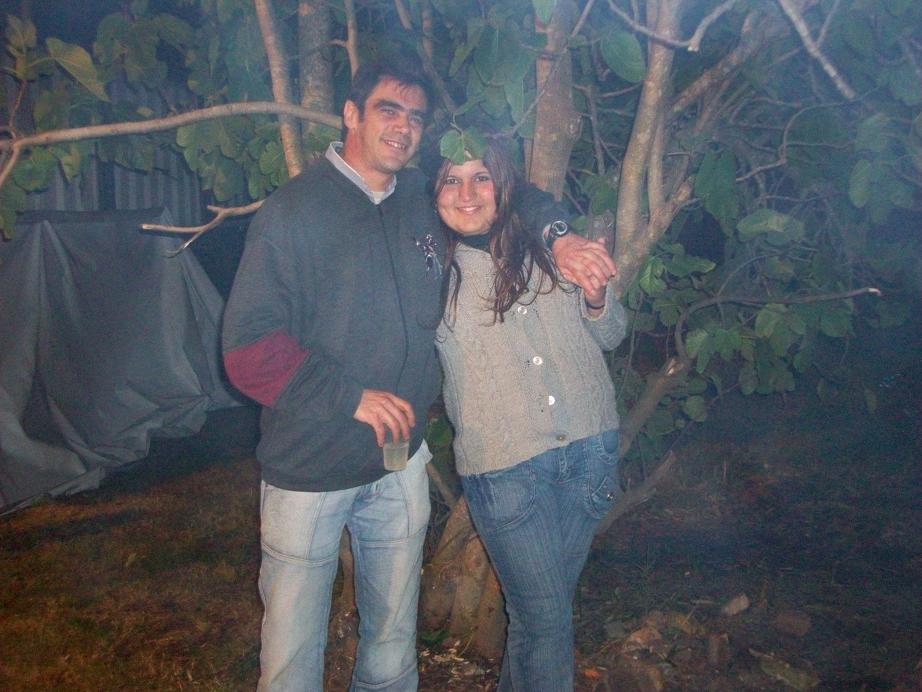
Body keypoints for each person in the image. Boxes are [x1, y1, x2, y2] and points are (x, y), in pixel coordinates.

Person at [222, 56, 616, 691]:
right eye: (388, 110)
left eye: (414, 116)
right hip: (309, 468)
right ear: (350, 114)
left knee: (391, 641)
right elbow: (247, 350)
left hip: (397, 465)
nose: (403, 126)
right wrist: (349, 397)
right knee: (292, 653)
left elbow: (508, 192)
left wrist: (560, 234)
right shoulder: (294, 211)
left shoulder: (419, 199)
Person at [431, 135, 628, 691]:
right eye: (451, 180)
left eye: (481, 177)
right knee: (545, 621)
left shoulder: (551, 246)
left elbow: (612, 334)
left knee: (543, 617)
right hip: (506, 468)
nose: (467, 193)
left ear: (502, 185)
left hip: (590, 450)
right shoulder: (429, 269)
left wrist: (596, 298)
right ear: (433, 193)